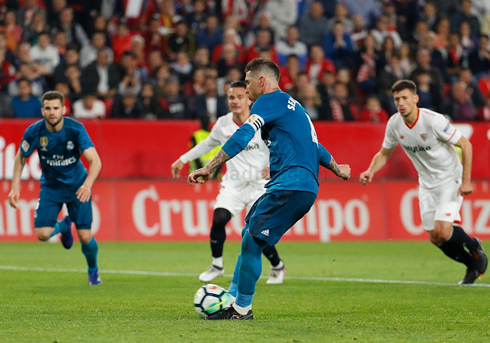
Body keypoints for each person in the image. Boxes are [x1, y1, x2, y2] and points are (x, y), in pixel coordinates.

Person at [188, 59, 351, 319]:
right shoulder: (294, 107)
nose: (247, 89)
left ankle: (241, 309)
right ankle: (234, 298)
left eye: (249, 82)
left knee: (251, 242)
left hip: (290, 184)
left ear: (262, 81)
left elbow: (242, 134)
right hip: (301, 186)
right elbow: (316, 147)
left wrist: (211, 167)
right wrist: (337, 168)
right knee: (249, 234)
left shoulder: (268, 101)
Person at [360, 80, 487, 285]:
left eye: (405, 98)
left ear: (415, 99)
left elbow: (466, 144)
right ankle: (471, 264)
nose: (401, 103)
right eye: (396, 99)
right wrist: (370, 170)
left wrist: (466, 180)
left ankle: (474, 246)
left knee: (444, 229)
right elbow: (384, 152)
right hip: (427, 183)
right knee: (435, 237)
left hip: (449, 177)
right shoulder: (394, 124)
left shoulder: (432, 120)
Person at [172, 81, 287, 284]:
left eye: (240, 96)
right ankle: (217, 265)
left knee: (257, 233)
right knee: (219, 219)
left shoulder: (262, 122)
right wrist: (184, 158)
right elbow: (207, 144)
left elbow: (281, 146)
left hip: (259, 186)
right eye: (231, 97)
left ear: (249, 99)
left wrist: (273, 166)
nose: (235, 101)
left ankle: (277, 266)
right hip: (234, 185)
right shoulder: (223, 124)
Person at [8, 91, 103, 285]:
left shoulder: (75, 129)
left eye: (56, 108)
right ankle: (63, 226)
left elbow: (95, 161)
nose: (52, 112)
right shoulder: (34, 131)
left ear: (63, 109)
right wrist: (14, 187)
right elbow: (20, 157)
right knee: (42, 234)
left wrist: (87, 185)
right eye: (48, 108)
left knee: (85, 236)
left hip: (78, 186)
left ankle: (93, 270)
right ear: (42, 110)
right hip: (51, 187)